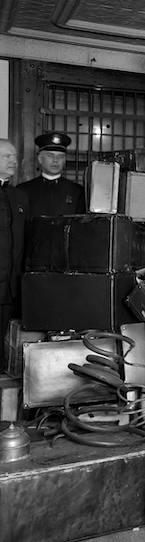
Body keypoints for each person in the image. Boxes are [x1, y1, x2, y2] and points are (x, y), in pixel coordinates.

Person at [0, 140, 28, 370]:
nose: (14, 161)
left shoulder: (19, 197)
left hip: (10, 289)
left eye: (15, 157)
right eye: (7, 156)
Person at [17, 132, 85, 216]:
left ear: (64, 160)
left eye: (60, 156)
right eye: (50, 155)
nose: (55, 160)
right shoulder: (23, 190)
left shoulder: (77, 191)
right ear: (40, 159)